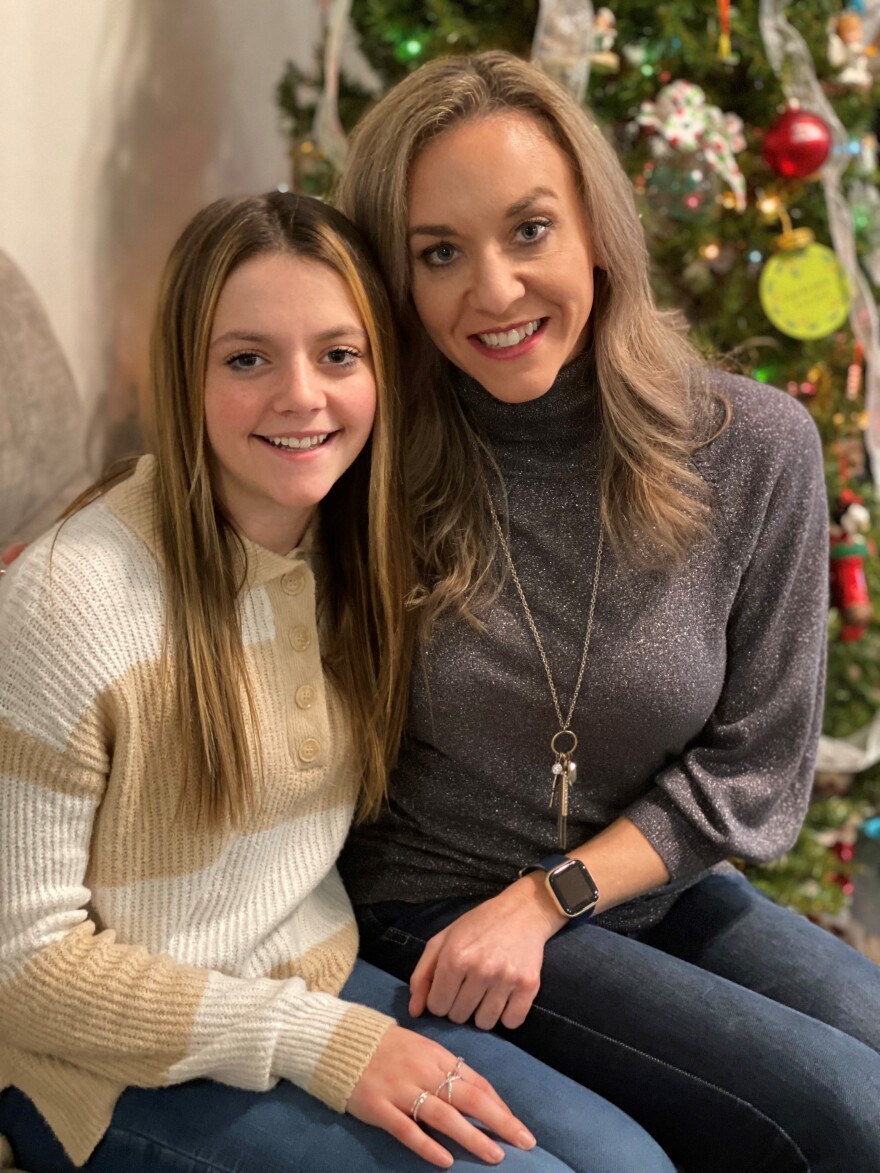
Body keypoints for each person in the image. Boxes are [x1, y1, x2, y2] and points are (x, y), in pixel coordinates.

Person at [0, 192, 677, 1173]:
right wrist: (315, 1042)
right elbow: (21, 968)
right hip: (102, 1064)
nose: (302, 397)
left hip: (312, 981)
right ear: (182, 375)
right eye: (246, 359)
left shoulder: (351, 552)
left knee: (630, 1166)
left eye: (337, 355)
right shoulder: (71, 600)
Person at [334, 50, 880, 1173]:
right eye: (439, 253)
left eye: (527, 230)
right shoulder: (367, 459)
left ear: (593, 225)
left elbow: (757, 773)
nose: (492, 291)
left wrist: (551, 897)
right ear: (394, 282)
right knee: (840, 1112)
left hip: (644, 888)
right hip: (431, 902)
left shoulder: (754, 447)